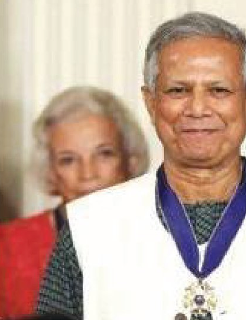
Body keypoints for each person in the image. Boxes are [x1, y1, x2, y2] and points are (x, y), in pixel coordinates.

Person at [36, 12, 246, 320]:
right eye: (178, 90)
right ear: (151, 103)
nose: (197, 108)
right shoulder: (89, 227)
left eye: (218, 91)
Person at [0, 86, 149, 319]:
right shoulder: (8, 248)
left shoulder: (170, 238)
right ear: (50, 172)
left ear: (131, 161)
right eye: (68, 160)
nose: (87, 174)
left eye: (105, 154)